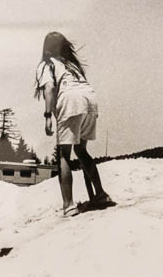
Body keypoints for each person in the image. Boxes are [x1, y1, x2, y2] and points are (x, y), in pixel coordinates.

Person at [34, 31, 111, 216]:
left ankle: (68, 205)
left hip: (71, 101)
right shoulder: (72, 65)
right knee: (81, 150)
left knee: (64, 155)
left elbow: (50, 88)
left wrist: (47, 115)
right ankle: (100, 194)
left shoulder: (47, 64)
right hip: (90, 101)